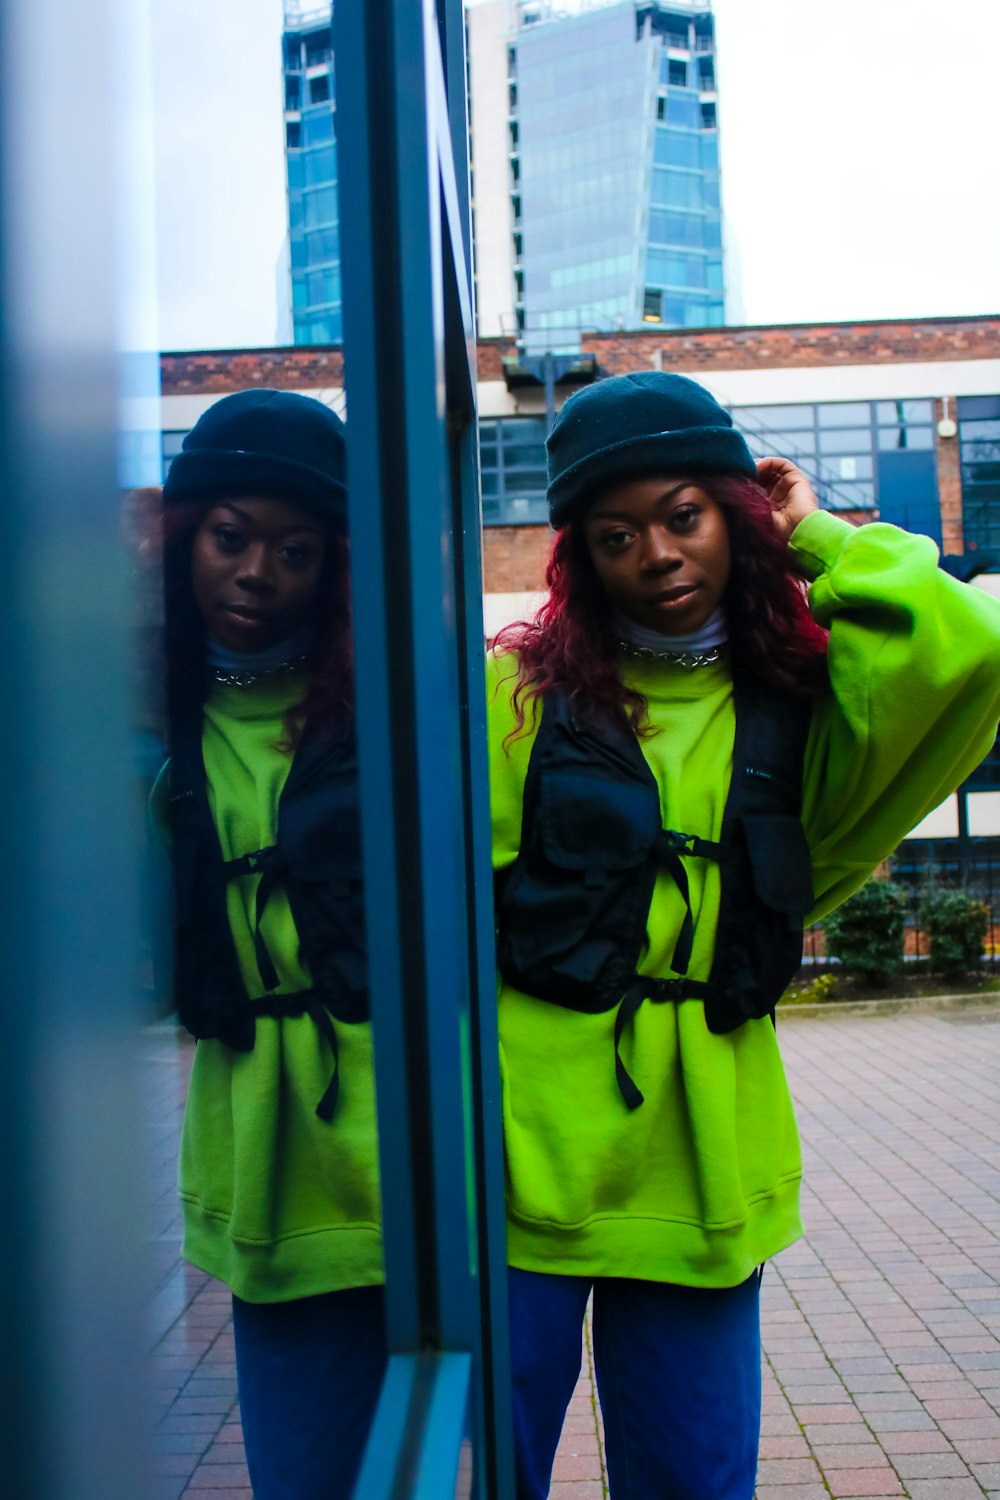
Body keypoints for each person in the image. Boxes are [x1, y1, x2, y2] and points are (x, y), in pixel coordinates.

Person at [486, 371, 1000, 1500]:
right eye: (616, 535)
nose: (657, 556)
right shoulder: (518, 694)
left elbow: (970, 641)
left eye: (684, 515)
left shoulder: (796, 698)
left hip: (707, 1159)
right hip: (519, 1162)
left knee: (696, 1482)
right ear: (584, 556)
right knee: (488, 1474)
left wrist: (816, 530)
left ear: (734, 512)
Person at [154, 389, 384, 1500]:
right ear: (182, 535)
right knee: (298, 1477)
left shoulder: (390, 702)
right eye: (228, 537)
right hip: (261, 1151)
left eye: (295, 551)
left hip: (407, 1151)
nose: (256, 575)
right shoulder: (143, 713)